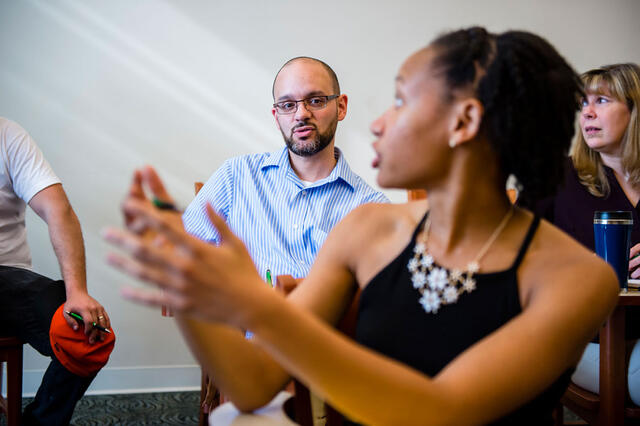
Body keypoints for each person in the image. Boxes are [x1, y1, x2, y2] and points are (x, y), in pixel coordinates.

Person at [105, 27, 619, 425]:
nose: (376, 123)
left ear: (462, 122)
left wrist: (258, 306)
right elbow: (256, 383)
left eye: (400, 101)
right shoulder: (368, 230)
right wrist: (186, 281)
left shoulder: (579, 279)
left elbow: (441, 412)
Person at [182, 56, 389, 280]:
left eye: (316, 100)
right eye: (288, 105)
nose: (301, 114)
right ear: (276, 116)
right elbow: (180, 256)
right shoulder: (236, 176)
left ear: (341, 107)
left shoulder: (372, 209)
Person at [521, 63, 640, 405]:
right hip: (583, 341)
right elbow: (508, 247)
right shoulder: (555, 175)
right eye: (582, 103)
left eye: (601, 100)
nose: (586, 112)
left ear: (635, 110)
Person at [0, 117, 112, 425]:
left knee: (88, 333)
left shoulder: (8, 135)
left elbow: (57, 209)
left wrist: (77, 293)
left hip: (6, 278)